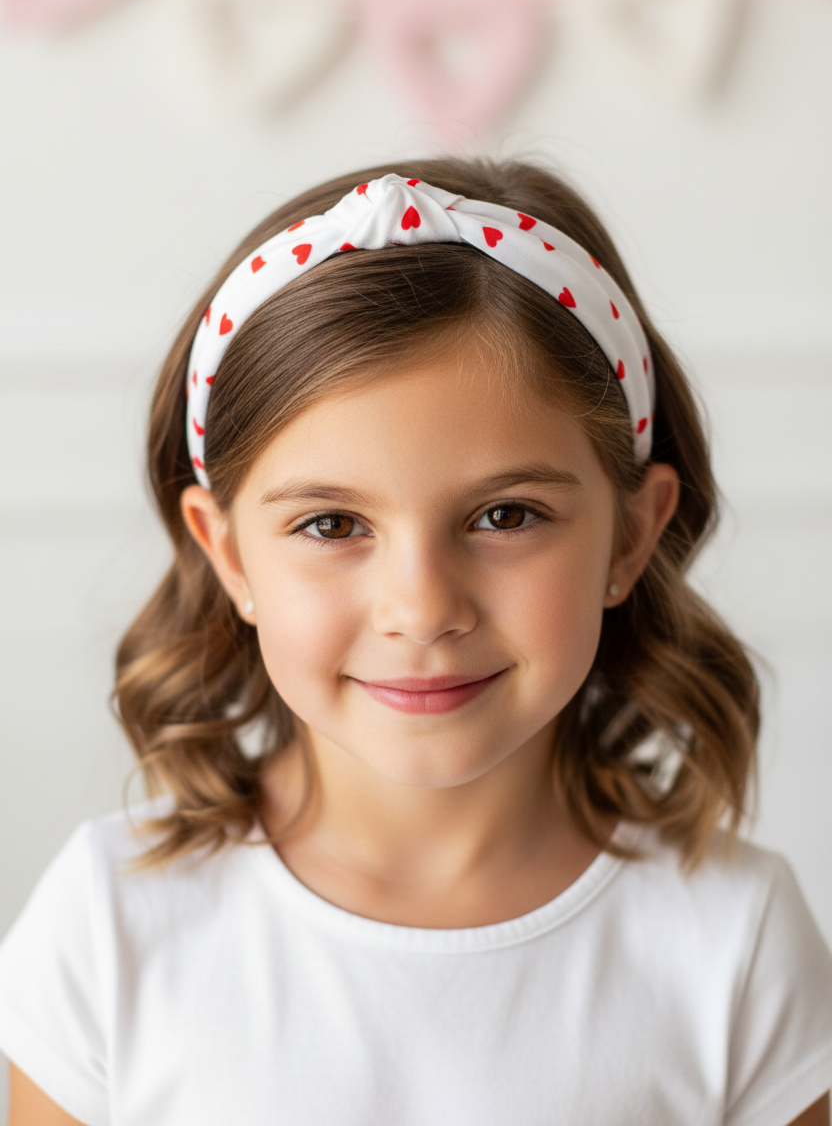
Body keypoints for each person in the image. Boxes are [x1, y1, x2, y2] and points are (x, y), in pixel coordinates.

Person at [1, 159, 831, 1126]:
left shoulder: (734, 939)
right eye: (330, 525)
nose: (423, 607)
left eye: (506, 515)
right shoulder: (109, 924)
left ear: (631, 537)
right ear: (228, 556)